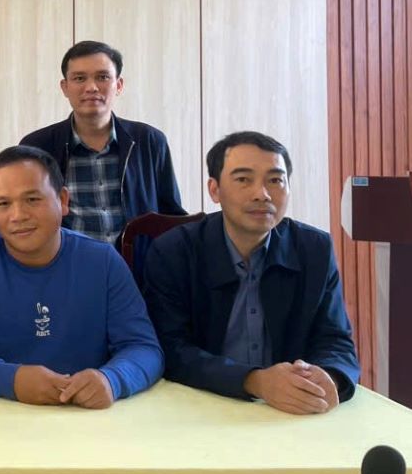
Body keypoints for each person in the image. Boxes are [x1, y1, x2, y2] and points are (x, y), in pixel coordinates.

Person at [0, 146, 163, 408]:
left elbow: (144, 348)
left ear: (63, 200)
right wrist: (10, 380)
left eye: (32, 199)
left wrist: (112, 379)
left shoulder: (103, 261)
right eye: (3, 204)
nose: (18, 216)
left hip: (86, 414)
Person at [143, 132, 360, 414]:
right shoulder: (174, 251)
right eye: (243, 179)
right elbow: (170, 349)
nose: (262, 194)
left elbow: (336, 340)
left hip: (289, 411)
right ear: (214, 190)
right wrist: (254, 381)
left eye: (275, 180)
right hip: (200, 406)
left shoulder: (314, 249)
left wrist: (330, 377)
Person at [19, 41, 183, 269]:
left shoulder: (149, 141)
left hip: (139, 272)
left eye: (102, 77)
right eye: (79, 78)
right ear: (65, 87)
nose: (91, 87)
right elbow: (26, 217)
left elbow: (171, 217)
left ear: (119, 85)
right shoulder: (37, 146)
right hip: (66, 271)